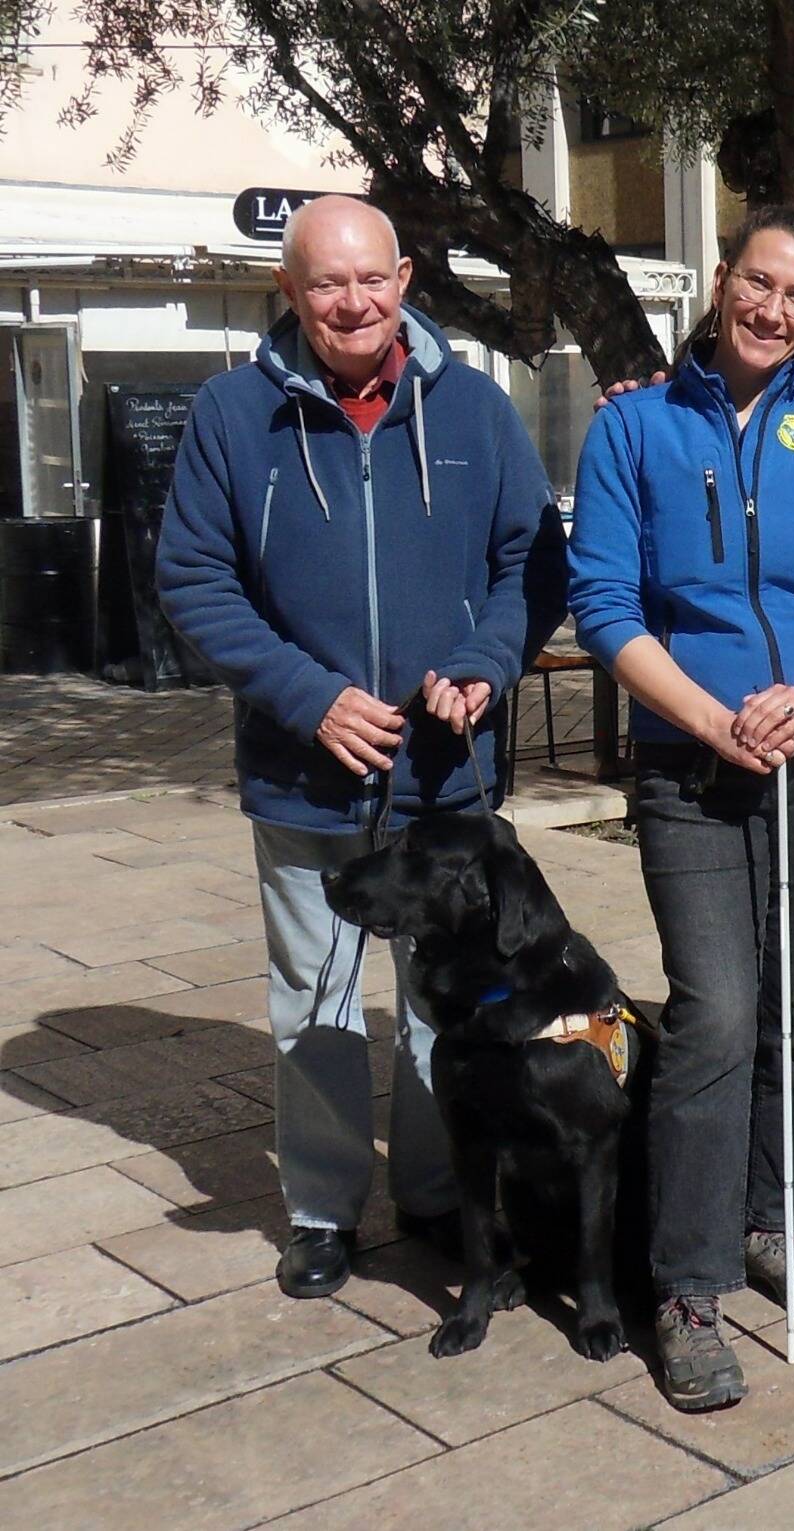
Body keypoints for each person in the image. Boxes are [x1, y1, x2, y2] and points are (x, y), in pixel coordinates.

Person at [156, 194, 567, 1302]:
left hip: (444, 777)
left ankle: (434, 1192)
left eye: (371, 278)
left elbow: (533, 561)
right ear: (288, 290)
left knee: (443, 1002)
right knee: (316, 1001)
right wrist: (310, 698)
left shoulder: (474, 405)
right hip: (306, 773)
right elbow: (193, 578)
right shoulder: (232, 414)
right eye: (327, 282)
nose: (353, 302)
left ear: (405, 279)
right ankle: (322, 1209)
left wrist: (485, 660)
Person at [568, 206, 794, 1413]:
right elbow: (605, 605)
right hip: (692, 764)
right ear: (721, 284)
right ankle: (688, 1280)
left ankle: (777, 1216)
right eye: (758, 283)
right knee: (716, 1014)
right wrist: (709, 719)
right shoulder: (633, 426)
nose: (773, 309)